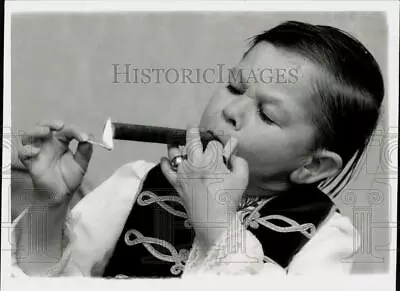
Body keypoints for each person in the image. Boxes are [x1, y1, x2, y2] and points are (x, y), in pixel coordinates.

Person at [12, 21, 384, 277]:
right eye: (235, 88)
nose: (230, 111)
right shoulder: (137, 183)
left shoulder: (325, 238)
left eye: (267, 115)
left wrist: (216, 224)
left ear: (313, 165)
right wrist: (50, 204)